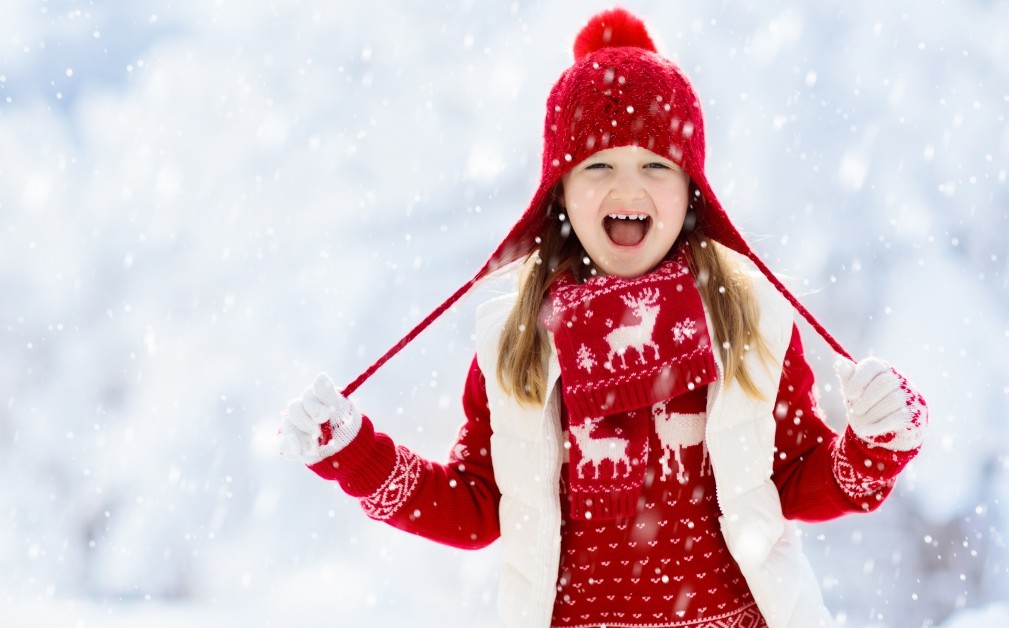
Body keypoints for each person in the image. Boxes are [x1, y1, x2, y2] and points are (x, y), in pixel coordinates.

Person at [277, 8, 927, 628]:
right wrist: (355, 453)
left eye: (654, 164)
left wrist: (873, 445)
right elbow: (475, 505)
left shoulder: (744, 323)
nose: (627, 187)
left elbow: (798, 481)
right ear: (559, 188)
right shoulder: (519, 341)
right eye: (597, 165)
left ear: (690, 188)